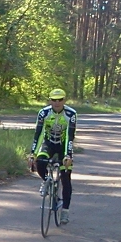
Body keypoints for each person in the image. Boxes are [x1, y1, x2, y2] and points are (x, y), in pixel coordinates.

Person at [27, 88, 76, 224]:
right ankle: (47, 181)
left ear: (64, 100)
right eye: (54, 100)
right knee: (40, 162)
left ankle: (65, 211)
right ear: (50, 101)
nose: (57, 102)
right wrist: (33, 153)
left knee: (66, 178)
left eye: (60, 100)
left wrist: (68, 155)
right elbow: (38, 134)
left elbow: (70, 136)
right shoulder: (44, 113)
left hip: (63, 146)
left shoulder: (71, 114)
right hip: (48, 143)